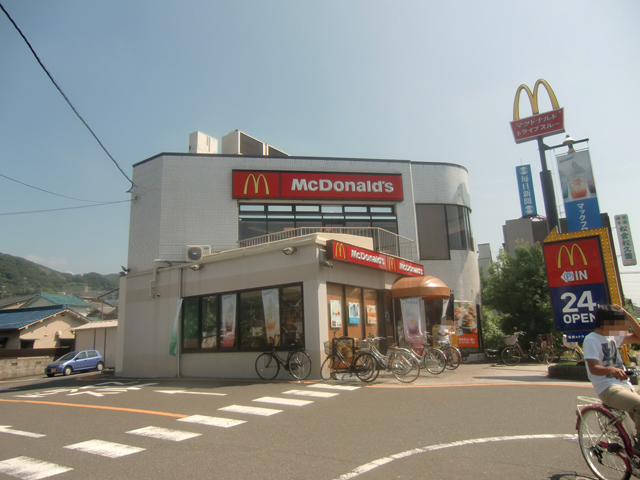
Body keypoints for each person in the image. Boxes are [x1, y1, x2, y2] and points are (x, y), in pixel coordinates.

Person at [584, 304, 640, 453]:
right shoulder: (592, 340)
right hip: (608, 388)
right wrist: (611, 369)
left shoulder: (613, 337)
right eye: (618, 323)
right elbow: (593, 368)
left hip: (626, 386)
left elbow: (639, 337)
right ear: (605, 323)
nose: (622, 327)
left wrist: (627, 314)